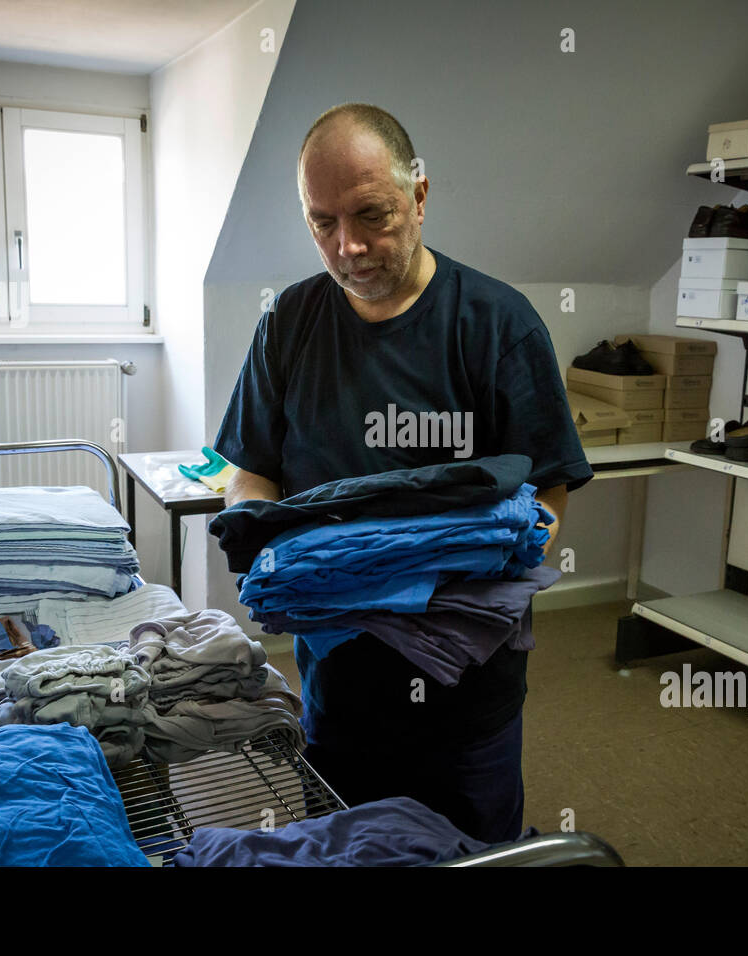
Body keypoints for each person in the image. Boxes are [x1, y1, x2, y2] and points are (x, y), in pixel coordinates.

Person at [213, 103, 592, 842]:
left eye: (372, 215)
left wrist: (456, 591)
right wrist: (277, 560)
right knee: (349, 849)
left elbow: (546, 492)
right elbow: (249, 473)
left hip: (467, 690)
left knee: (474, 855)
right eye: (322, 222)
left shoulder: (499, 326)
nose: (349, 246)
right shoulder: (289, 322)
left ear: (420, 196)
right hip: (338, 683)